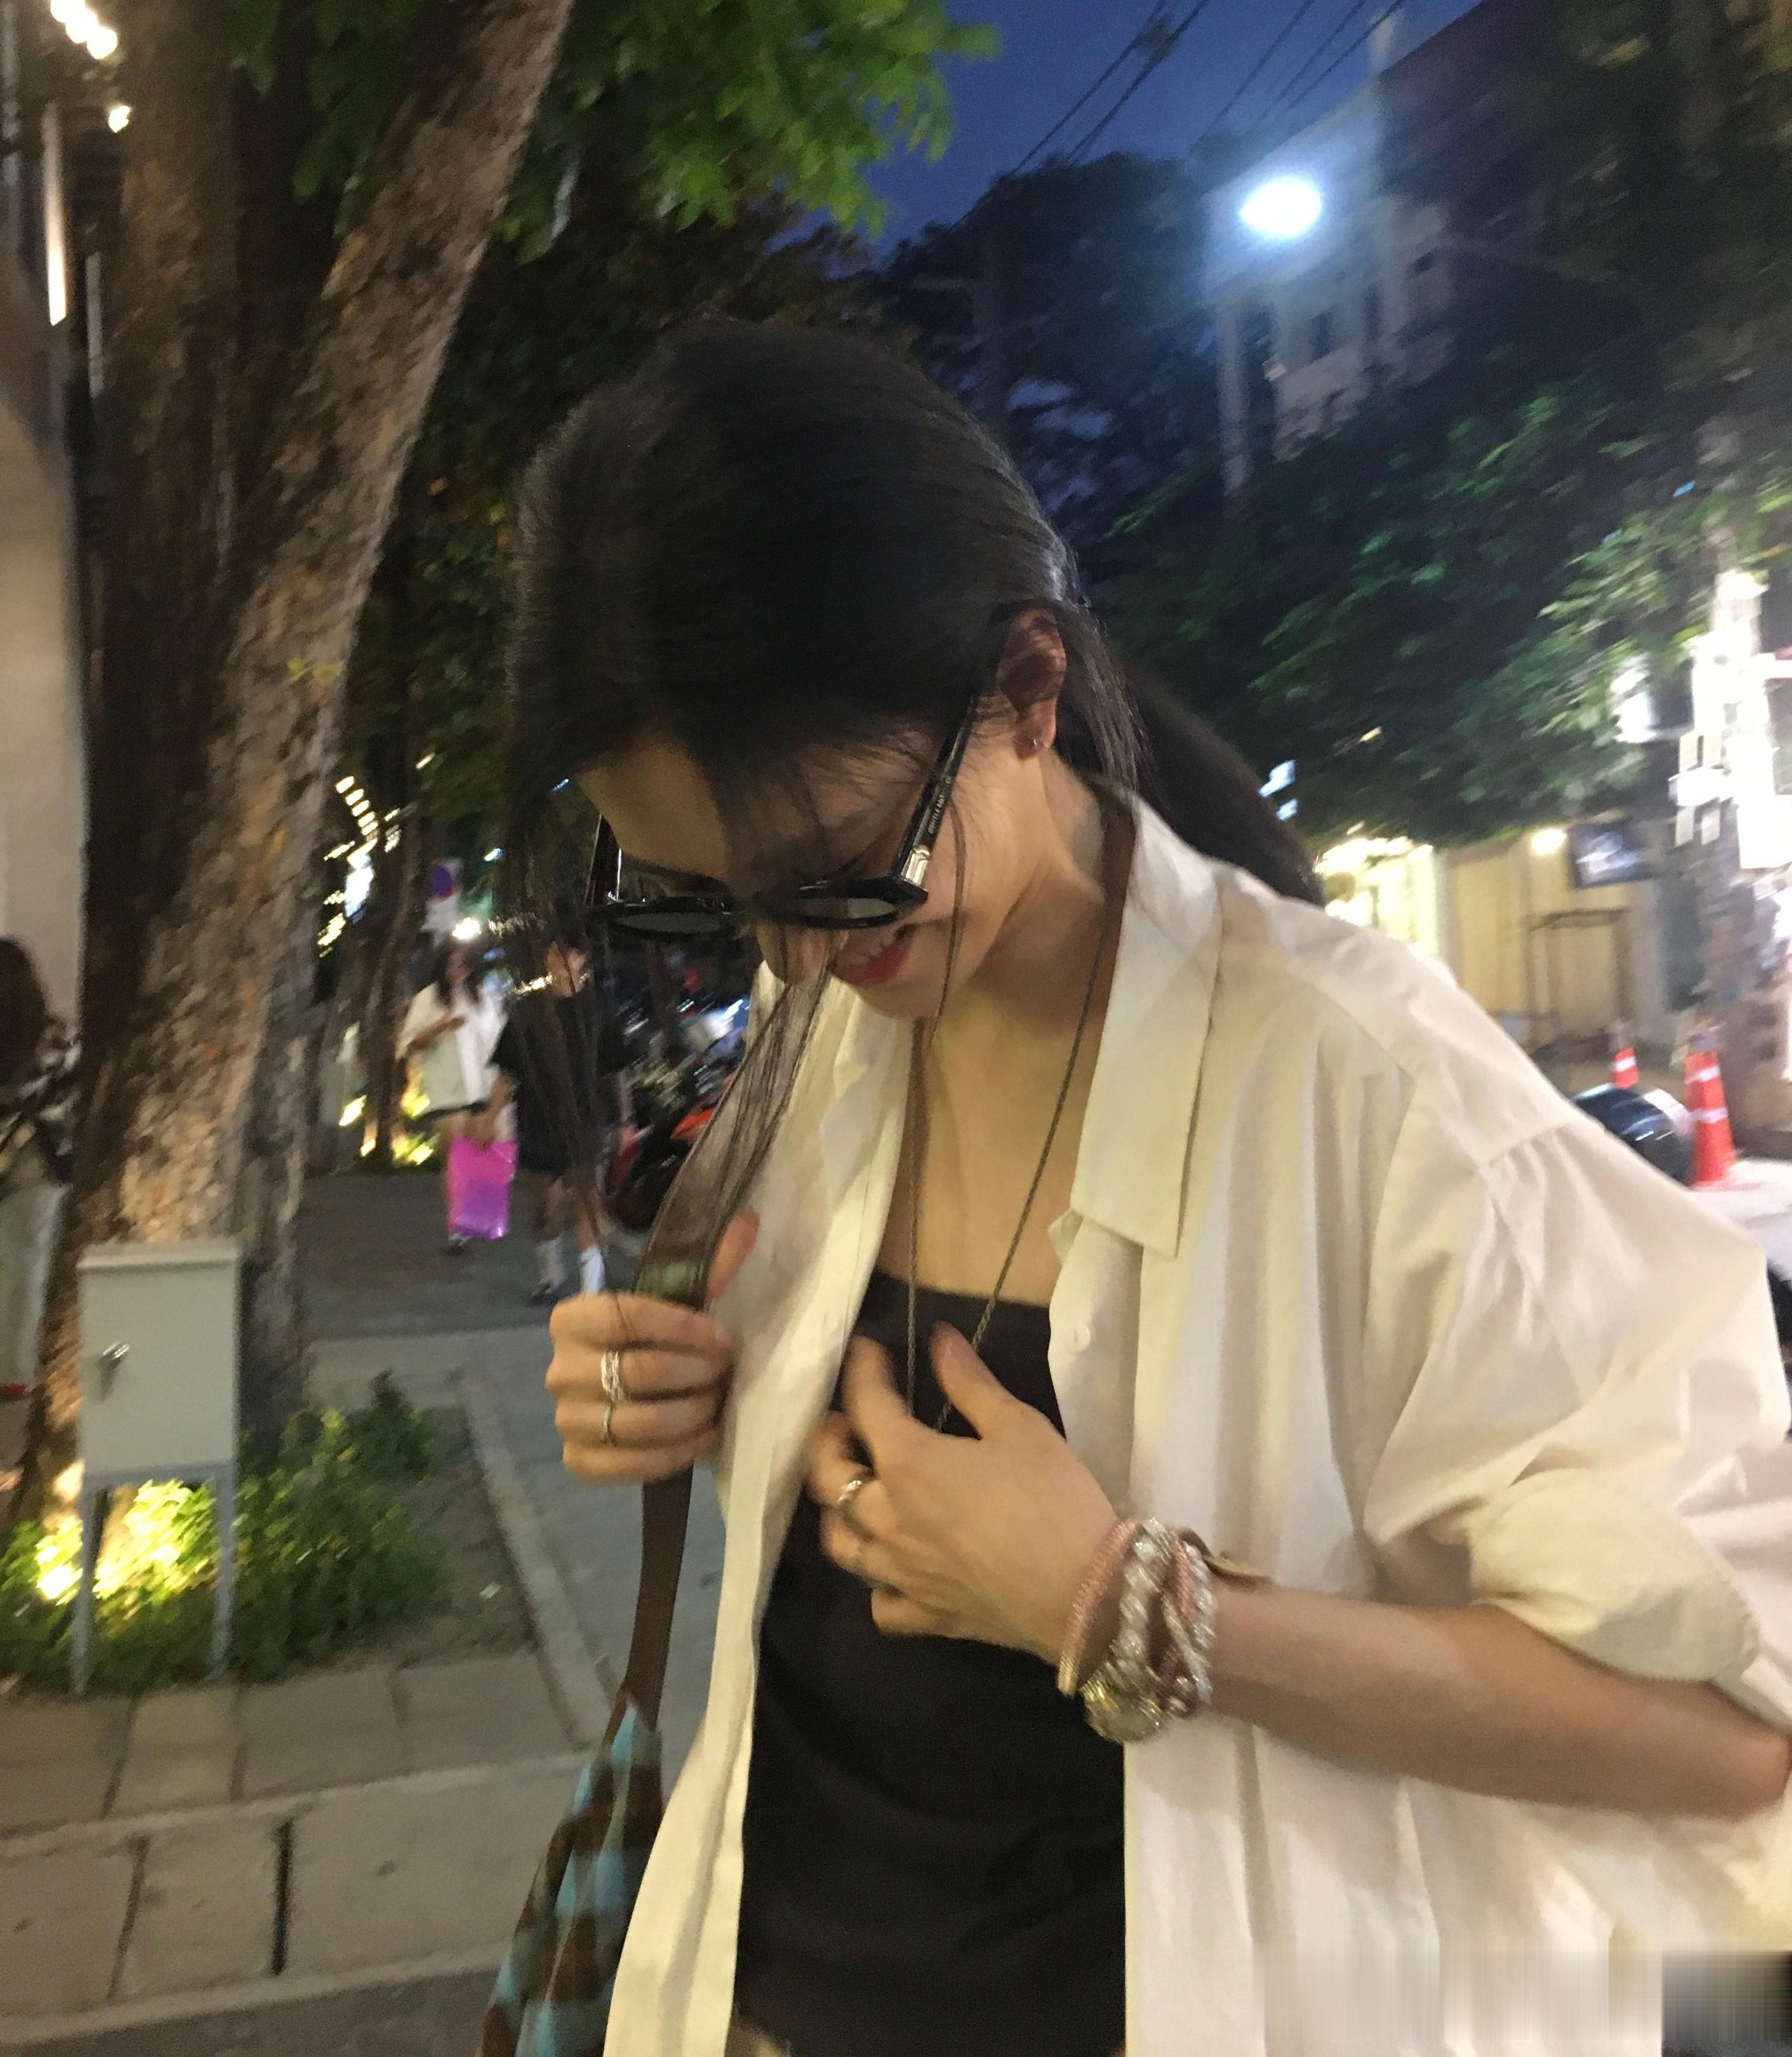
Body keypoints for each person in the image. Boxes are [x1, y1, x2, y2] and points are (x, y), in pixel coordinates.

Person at [505, 322, 1792, 2057]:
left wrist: (1119, 1606)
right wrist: (672, 1390)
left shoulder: (1362, 1078)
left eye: (840, 869)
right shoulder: (837, 1038)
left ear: (1027, 688)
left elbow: (1723, 1727)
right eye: (707, 897)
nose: (792, 958)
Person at [476, 936, 623, 1305]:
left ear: (581, 959)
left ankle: (591, 1289)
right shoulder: (528, 1010)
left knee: (589, 1200)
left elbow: (616, 1069)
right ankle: (550, 1276)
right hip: (538, 1118)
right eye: (553, 953)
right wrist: (490, 1117)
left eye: (566, 954)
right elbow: (507, 1072)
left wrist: (624, 1120)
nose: (557, 961)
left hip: (587, 1118)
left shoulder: (598, 1009)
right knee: (543, 1207)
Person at [0, 940, 78, 1401]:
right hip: (40, 1158)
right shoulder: (56, 1036)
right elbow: (73, 1093)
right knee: (24, 1269)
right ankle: (15, 1371)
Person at [400, 940, 504, 1250]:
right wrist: (442, 1026)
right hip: (447, 1088)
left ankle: (479, 1219)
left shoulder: (485, 998)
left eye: (463, 965)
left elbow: (501, 1040)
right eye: (451, 965)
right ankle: (457, 1227)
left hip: (482, 1085)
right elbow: (411, 1044)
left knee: (480, 1152)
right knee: (455, 1155)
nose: (457, 972)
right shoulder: (428, 998)